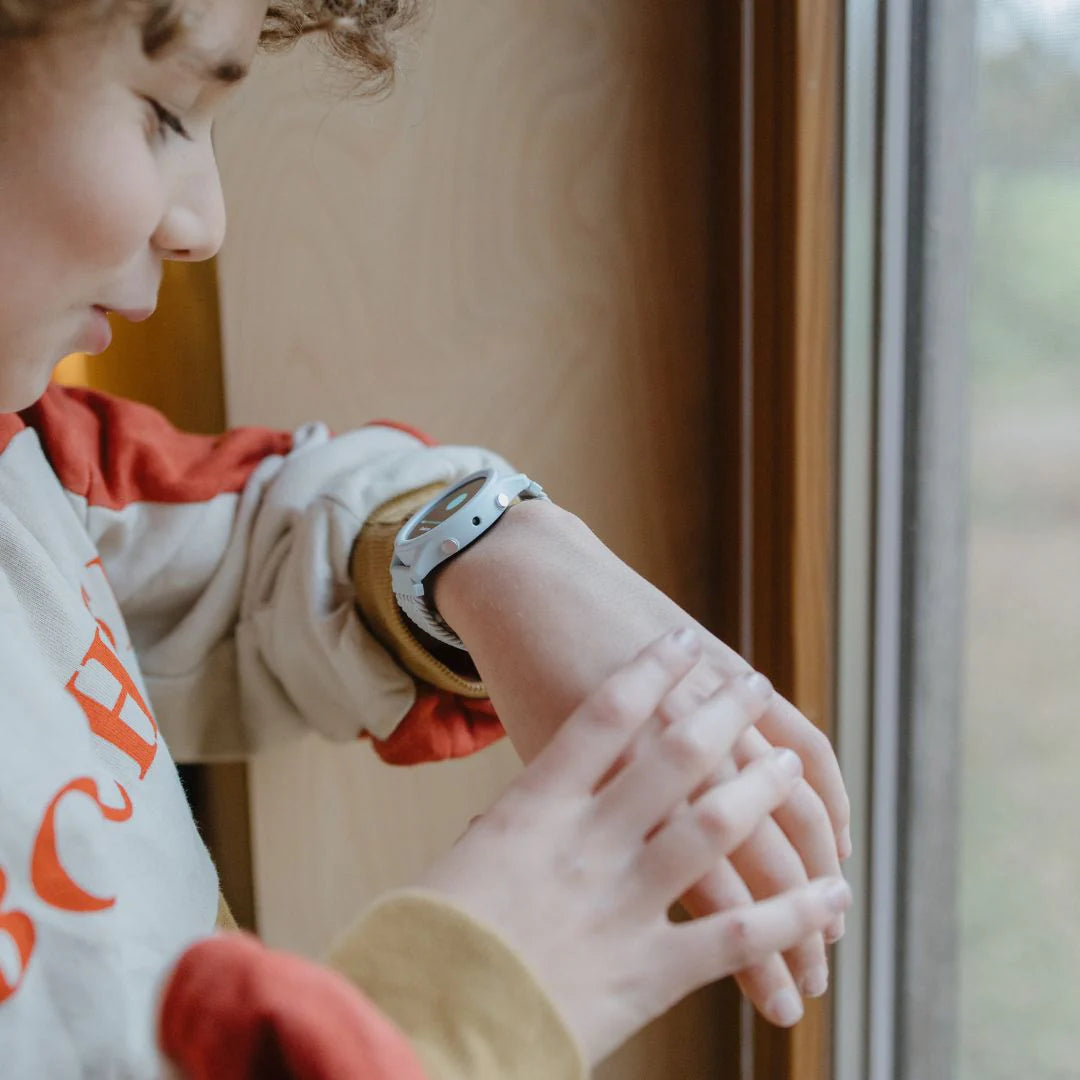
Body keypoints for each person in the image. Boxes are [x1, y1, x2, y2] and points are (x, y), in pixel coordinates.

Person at [0, 1, 853, 1076]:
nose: (204, 222)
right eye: (167, 112)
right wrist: (460, 1016)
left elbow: (223, 532)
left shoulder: (21, 455)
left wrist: (493, 553)